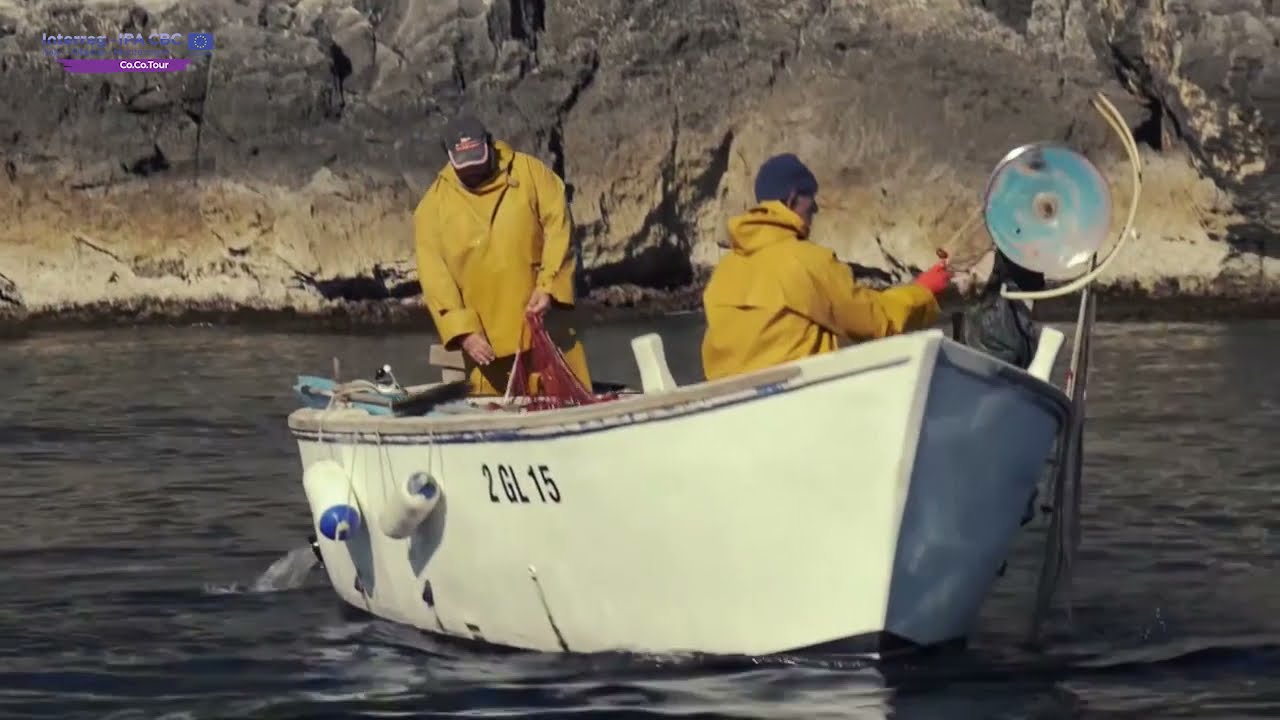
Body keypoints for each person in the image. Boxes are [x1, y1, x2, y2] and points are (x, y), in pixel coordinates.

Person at [701, 153, 952, 381]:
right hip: (797, 405)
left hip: (735, 406)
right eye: (811, 197)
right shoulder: (807, 261)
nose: (816, 208)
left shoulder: (724, 271)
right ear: (792, 199)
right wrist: (924, 291)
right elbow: (877, 320)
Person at [413, 114, 592, 395]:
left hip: (548, 329)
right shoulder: (430, 209)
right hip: (489, 349)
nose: (473, 169)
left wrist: (549, 287)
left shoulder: (532, 173)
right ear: (448, 157)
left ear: (489, 144)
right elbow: (436, 279)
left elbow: (559, 230)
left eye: (478, 158)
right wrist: (464, 333)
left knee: (570, 398)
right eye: (464, 165)